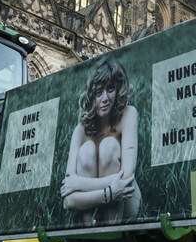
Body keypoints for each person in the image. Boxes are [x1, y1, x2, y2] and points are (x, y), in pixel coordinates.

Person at [60, 57, 141, 224]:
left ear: (119, 90)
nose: (105, 98)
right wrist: (110, 192)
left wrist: (79, 184)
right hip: (96, 205)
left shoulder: (128, 114)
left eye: (110, 89)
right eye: (98, 93)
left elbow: (126, 180)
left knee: (109, 145)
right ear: (92, 96)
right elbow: (68, 201)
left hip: (126, 205)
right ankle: (90, 232)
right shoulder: (80, 131)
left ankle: (113, 230)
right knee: (87, 149)